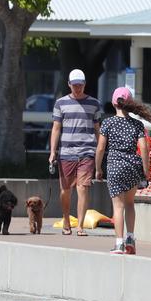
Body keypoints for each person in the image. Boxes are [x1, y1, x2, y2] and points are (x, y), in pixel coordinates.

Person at [95, 87, 151, 254]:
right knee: (129, 204)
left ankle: (119, 244)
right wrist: (146, 170)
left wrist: (98, 168)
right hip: (133, 167)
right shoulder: (137, 124)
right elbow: (143, 147)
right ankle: (130, 239)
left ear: (114, 103)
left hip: (115, 166)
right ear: (129, 103)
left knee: (118, 207)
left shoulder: (107, 123)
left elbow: (100, 148)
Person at [49, 69, 102, 236]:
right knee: (65, 189)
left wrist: (100, 152)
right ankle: (66, 219)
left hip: (87, 151)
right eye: (74, 85)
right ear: (69, 84)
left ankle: (80, 225)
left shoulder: (95, 104)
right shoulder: (60, 103)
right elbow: (56, 128)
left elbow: (98, 130)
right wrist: (52, 152)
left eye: (80, 85)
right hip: (66, 151)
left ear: (85, 84)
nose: (77, 88)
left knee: (83, 188)